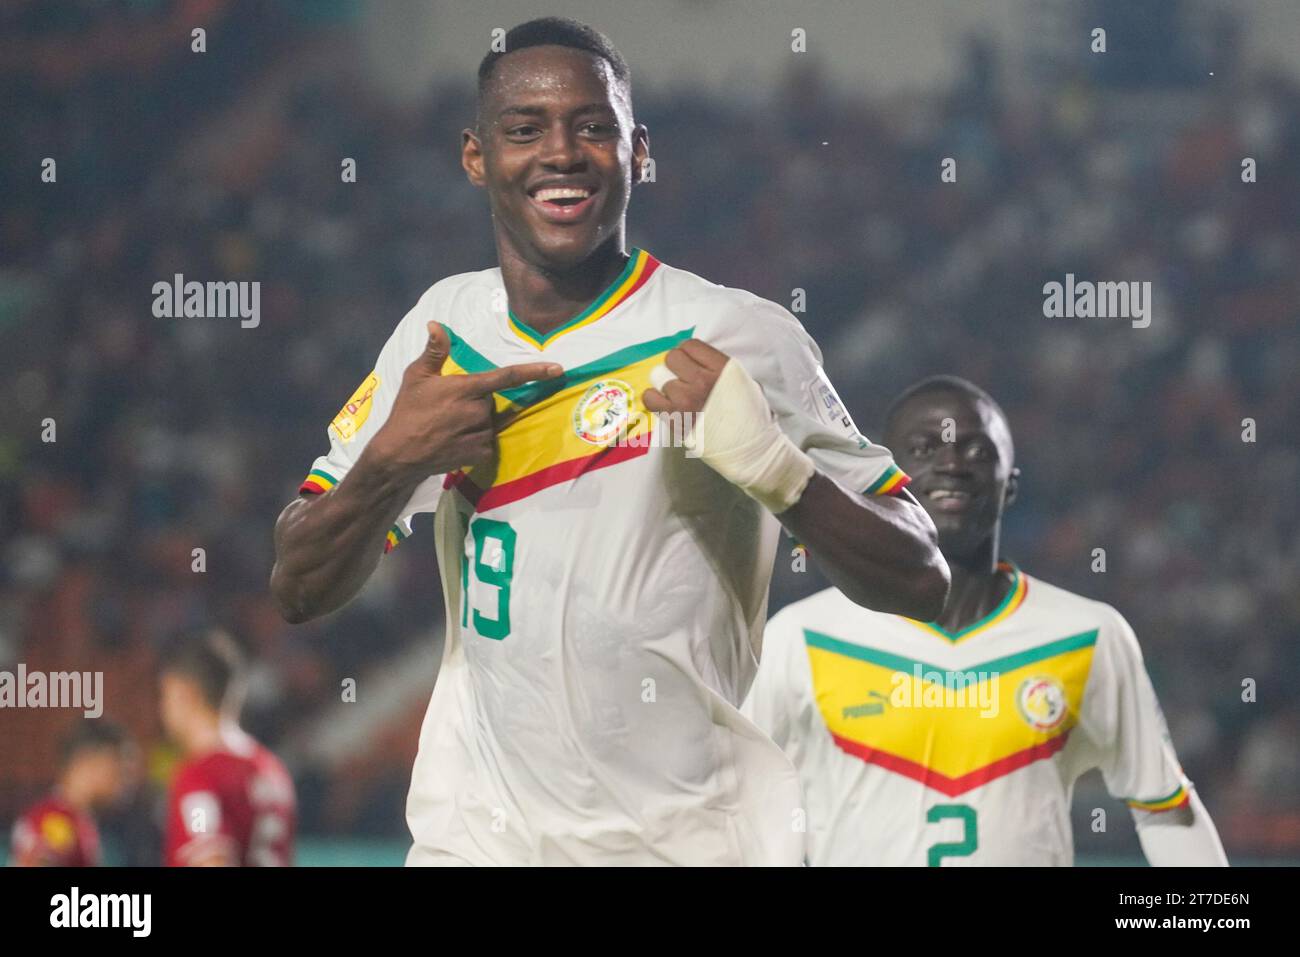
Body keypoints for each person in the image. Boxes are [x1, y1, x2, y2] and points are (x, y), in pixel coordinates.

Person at [269, 17, 947, 866]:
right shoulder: (437, 334)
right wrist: (388, 465)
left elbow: (924, 578)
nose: (562, 152)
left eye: (594, 127)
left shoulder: (735, 333)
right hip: (477, 841)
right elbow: (297, 584)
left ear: (639, 152)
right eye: (525, 130)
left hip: (688, 842)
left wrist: (781, 473)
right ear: (477, 156)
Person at [744, 375, 1228, 865]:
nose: (952, 463)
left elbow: (1164, 808)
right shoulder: (801, 638)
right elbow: (745, 807)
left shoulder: (1088, 636)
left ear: (1010, 486)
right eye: (924, 447)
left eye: (977, 452)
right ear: (878, 478)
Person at [160, 629, 296, 866]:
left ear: (186, 693)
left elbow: (211, 859)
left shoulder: (200, 776)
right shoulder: (272, 769)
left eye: (165, 695)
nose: (162, 707)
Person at [10, 721, 131, 867]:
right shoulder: (53, 821)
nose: (123, 782)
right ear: (88, 764)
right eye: (118, 770)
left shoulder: (78, 820)